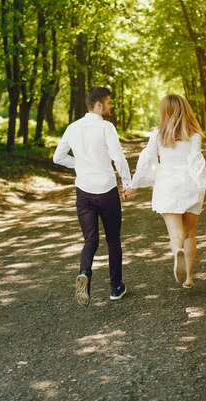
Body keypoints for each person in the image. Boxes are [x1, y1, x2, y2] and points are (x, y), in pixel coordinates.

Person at [123, 94, 206, 289]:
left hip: (167, 186)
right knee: (190, 234)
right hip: (190, 186)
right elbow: (196, 163)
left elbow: (147, 160)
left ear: (164, 111)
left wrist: (133, 185)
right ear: (185, 110)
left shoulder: (157, 135)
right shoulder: (194, 135)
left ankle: (176, 250)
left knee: (176, 236)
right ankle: (188, 278)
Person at [53, 86, 131, 306]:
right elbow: (118, 158)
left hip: (83, 192)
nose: (111, 105)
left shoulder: (73, 127)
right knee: (113, 239)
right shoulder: (106, 127)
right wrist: (127, 183)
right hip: (106, 191)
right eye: (109, 102)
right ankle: (116, 288)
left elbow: (58, 157)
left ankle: (85, 272)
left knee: (90, 239)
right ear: (99, 104)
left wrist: (80, 164)